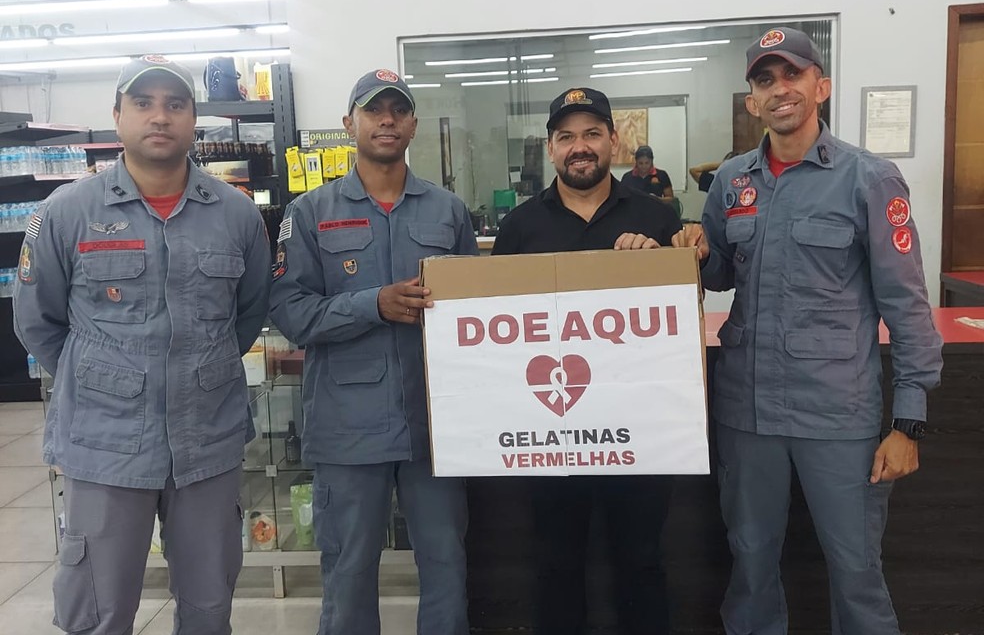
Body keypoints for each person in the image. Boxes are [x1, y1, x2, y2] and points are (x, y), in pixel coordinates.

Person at [672, 27, 943, 634]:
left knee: (856, 571)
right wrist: (694, 250)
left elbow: (907, 304)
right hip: (747, 412)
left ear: (820, 86)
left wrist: (908, 421)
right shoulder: (731, 181)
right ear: (752, 102)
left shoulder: (868, 179)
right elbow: (717, 275)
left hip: (837, 415)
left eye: (792, 75)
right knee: (750, 563)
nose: (779, 90)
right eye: (765, 81)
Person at [13, 54, 271, 634]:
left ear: (193, 119)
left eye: (175, 104)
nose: (160, 116)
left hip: (206, 439)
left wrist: (193, 372)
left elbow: (249, 313)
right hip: (104, 445)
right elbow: (39, 320)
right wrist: (103, 377)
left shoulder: (235, 215)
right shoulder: (64, 214)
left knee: (209, 608)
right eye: (144, 103)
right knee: (98, 612)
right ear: (118, 116)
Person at [268, 69, 477, 635]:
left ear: (412, 124)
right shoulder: (309, 214)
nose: (387, 119)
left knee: (447, 568)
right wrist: (373, 305)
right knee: (349, 571)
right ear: (348, 124)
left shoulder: (448, 212)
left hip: (435, 424)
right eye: (373, 109)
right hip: (348, 426)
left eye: (398, 110)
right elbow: (292, 314)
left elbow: (473, 316)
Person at [493, 87, 682, 635]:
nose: (580, 147)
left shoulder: (657, 216)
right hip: (552, 432)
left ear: (614, 142)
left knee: (642, 561)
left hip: (641, 432)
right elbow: (495, 329)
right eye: (567, 136)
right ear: (551, 148)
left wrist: (662, 265)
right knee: (555, 565)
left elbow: (681, 312)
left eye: (592, 134)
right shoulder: (520, 228)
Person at [619, 145, 680, 215]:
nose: (644, 166)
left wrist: (658, 200)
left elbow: (670, 199)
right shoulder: (627, 177)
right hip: (634, 214)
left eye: (647, 163)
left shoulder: (661, 175)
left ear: (651, 161)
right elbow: (621, 199)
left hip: (656, 213)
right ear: (636, 162)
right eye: (640, 163)